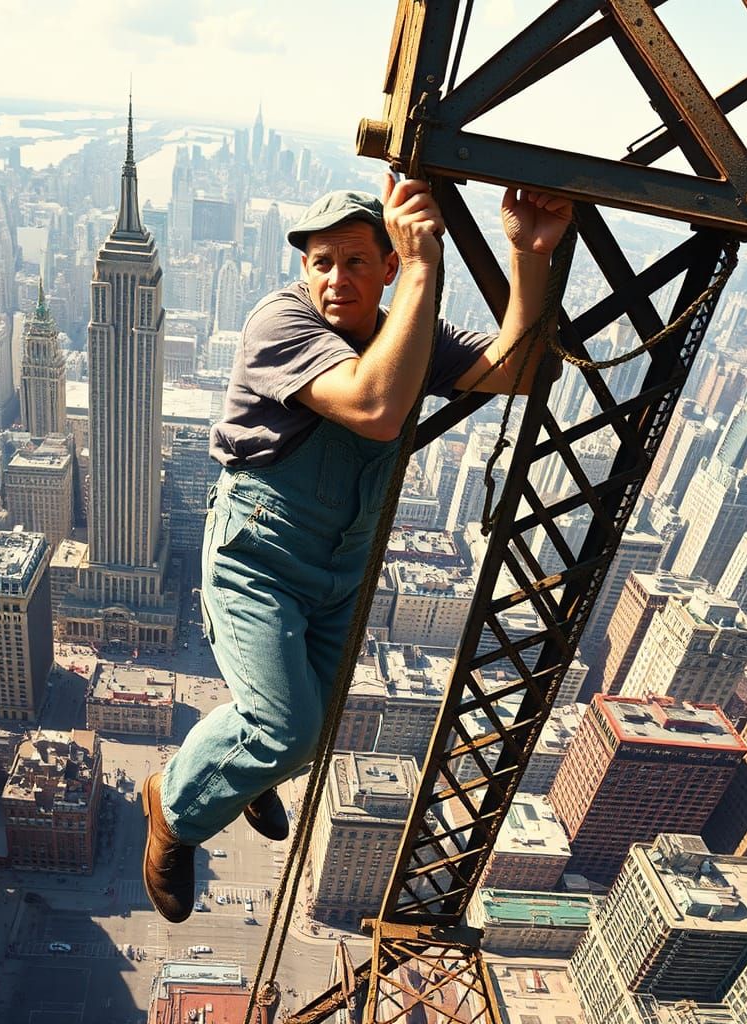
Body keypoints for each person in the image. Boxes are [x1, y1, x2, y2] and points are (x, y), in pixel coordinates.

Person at [143, 174, 573, 923]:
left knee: (315, 724)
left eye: (356, 262)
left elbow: (523, 368)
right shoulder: (279, 323)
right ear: (302, 271)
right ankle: (173, 805)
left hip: (340, 568)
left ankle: (245, 773)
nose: (337, 279)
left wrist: (527, 256)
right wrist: (421, 269)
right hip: (259, 561)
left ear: (380, 267)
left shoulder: (404, 334)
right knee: (284, 727)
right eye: (321, 263)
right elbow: (374, 406)